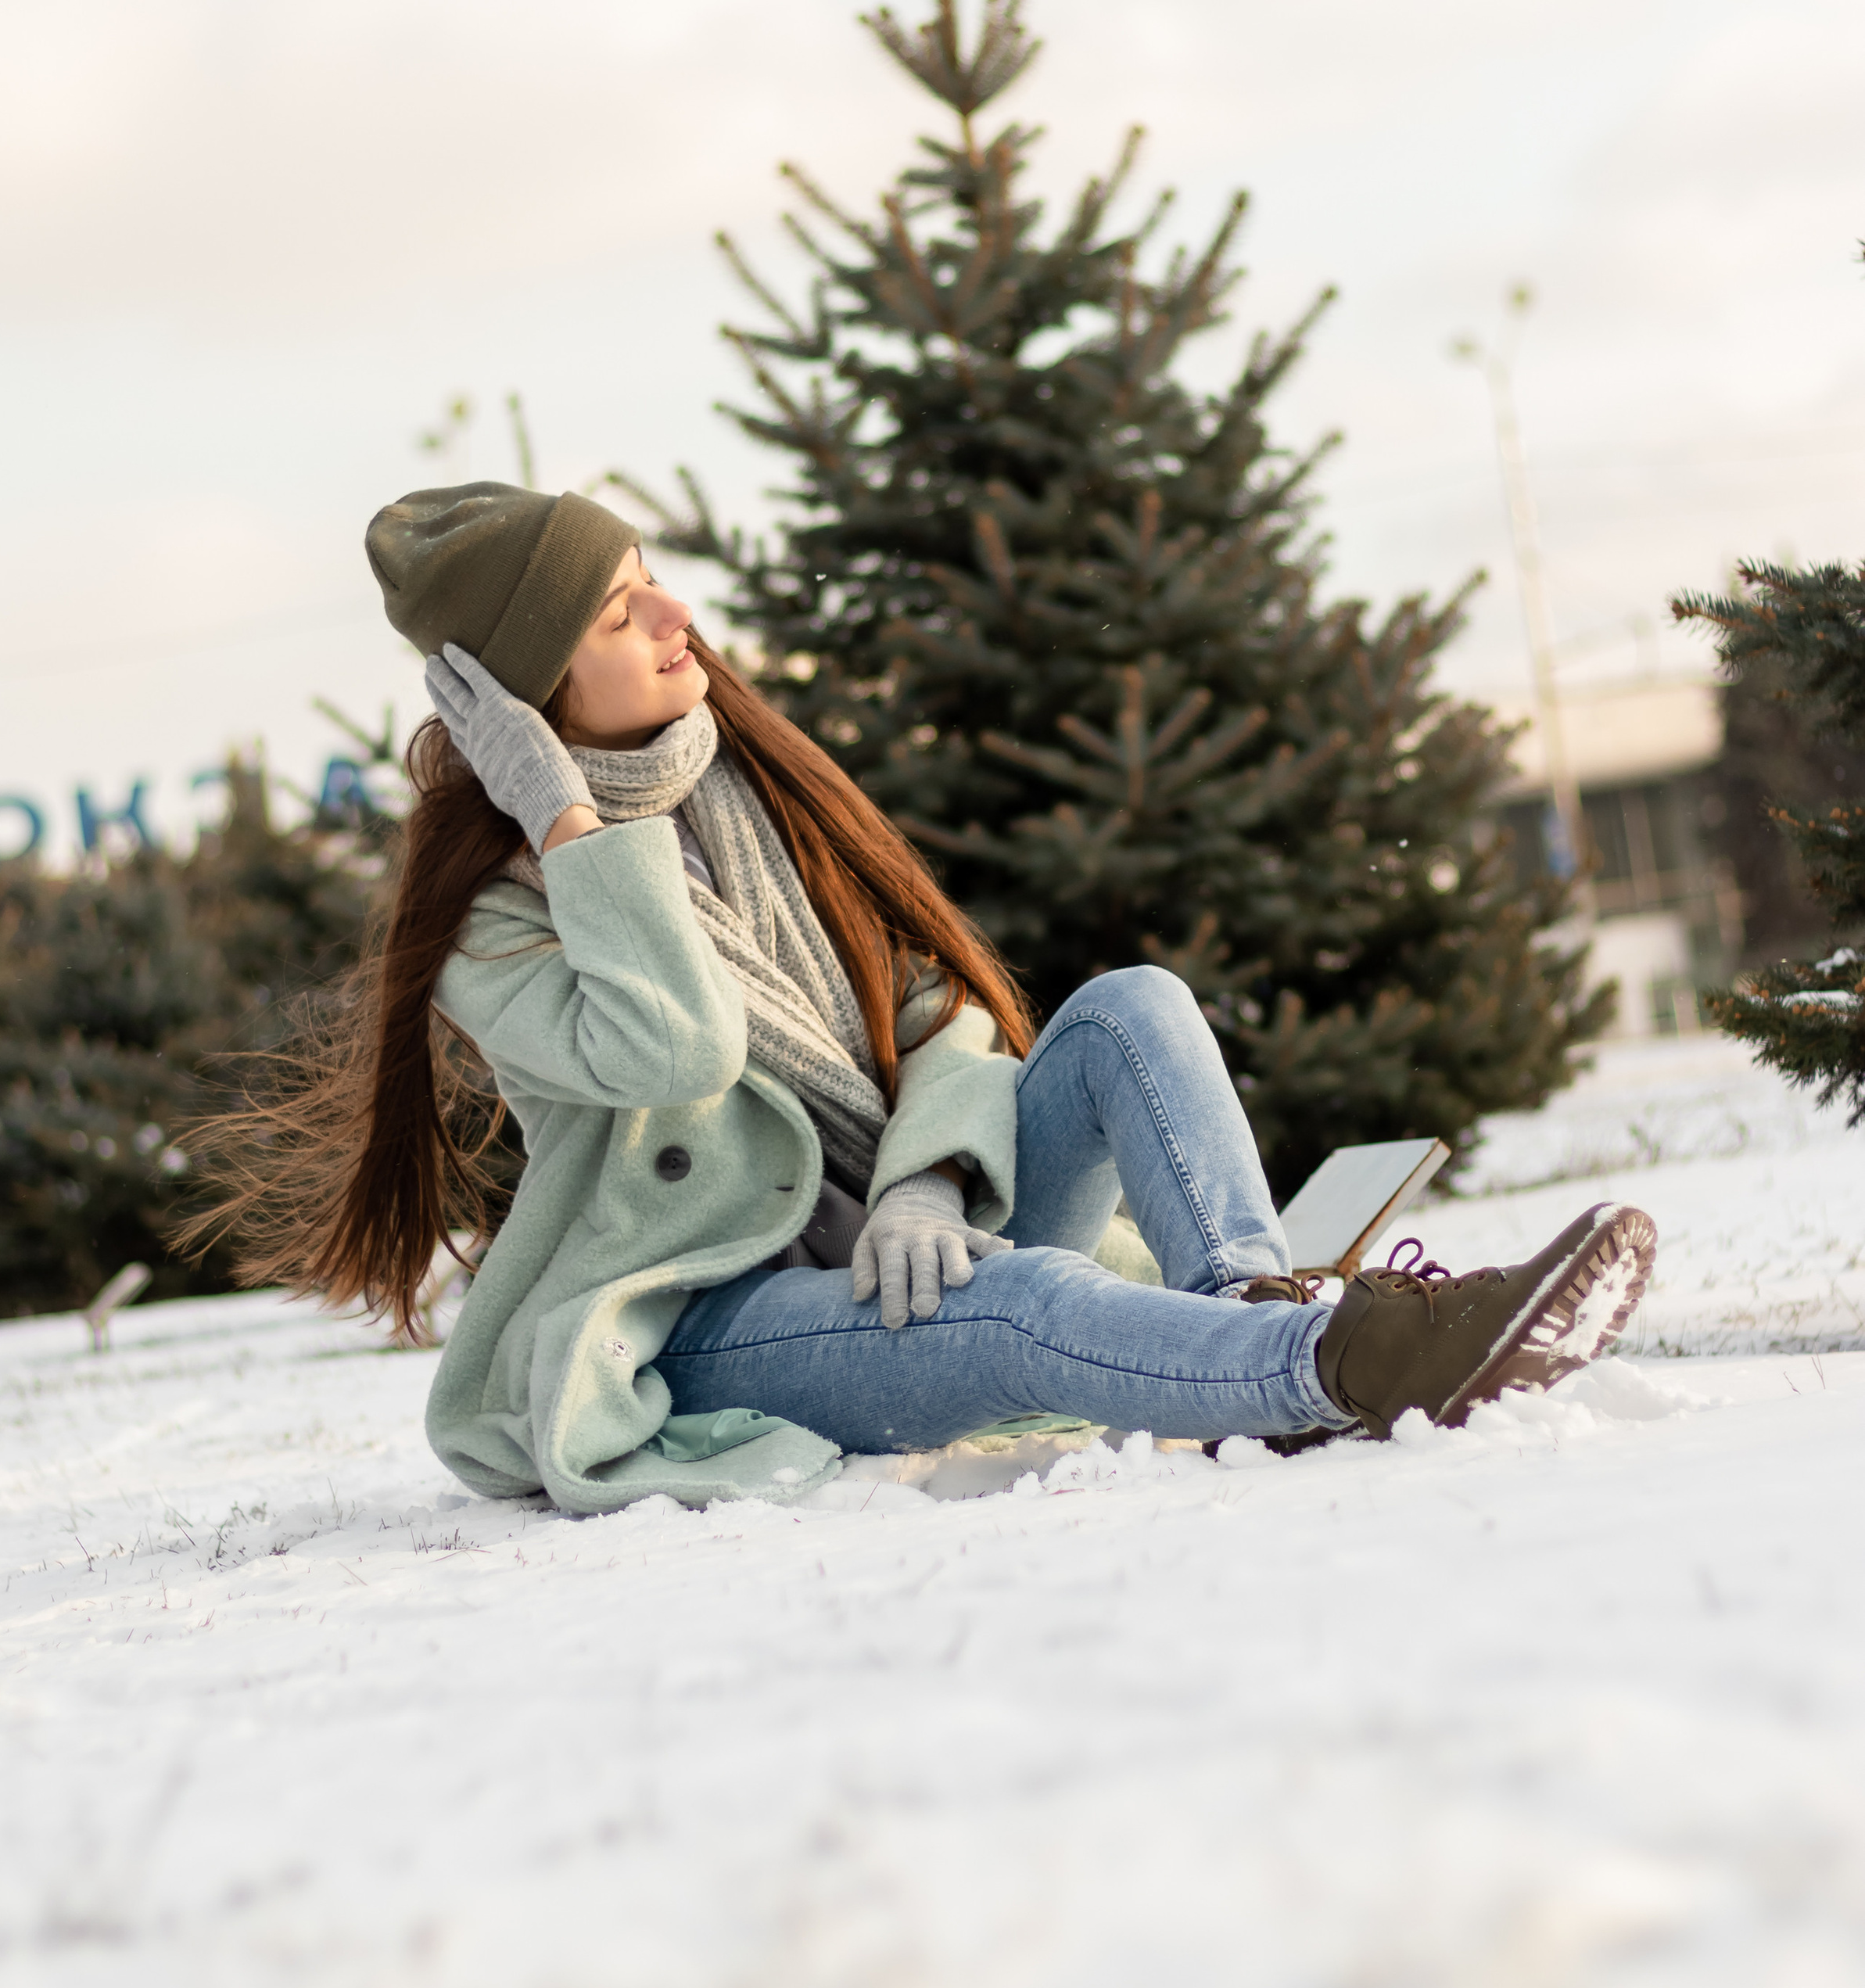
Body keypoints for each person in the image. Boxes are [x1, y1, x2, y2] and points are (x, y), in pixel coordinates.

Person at [195, 481, 1657, 1516]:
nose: (674, 616)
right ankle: (1351, 1365)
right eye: (617, 609)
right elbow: (677, 1043)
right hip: (720, 1313)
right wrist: (577, 827)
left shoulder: (756, 788)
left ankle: (1252, 1314)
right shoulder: (499, 916)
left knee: (1132, 1007)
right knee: (1029, 1305)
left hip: (904, 1234)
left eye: (652, 574)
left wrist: (932, 1182)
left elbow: (944, 1012)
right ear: (525, 701)